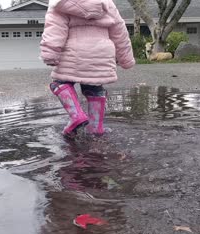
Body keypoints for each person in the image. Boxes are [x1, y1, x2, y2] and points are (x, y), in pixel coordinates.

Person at [40, 0, 135, 136]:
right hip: (102, 51)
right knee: (94, 87)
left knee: (60, 83)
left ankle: (76, 116)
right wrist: (126, 58)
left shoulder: (60, 3)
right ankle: (95, 128)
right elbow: (119, 31)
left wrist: (50, 54)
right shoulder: (106, 2)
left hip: (73, 51)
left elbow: (54, 30)